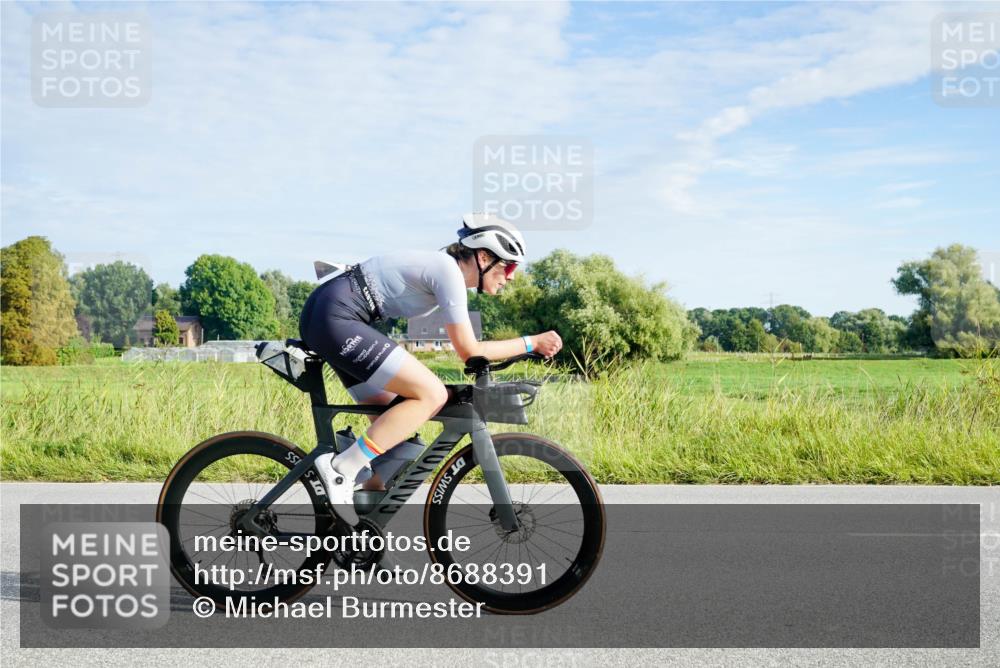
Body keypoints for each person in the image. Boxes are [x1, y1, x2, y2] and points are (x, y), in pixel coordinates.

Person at [298, 213, 562, 524]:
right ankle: (342, 470)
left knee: (396, 441)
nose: (512, 276)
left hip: (334, 316)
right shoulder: (447, 271)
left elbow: (463, 345)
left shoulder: (442, 271)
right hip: (337, 318)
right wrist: (532, 343)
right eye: (509, 265)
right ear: (483, 256)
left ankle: (361, 536)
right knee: (431, 395)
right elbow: (470, 350)